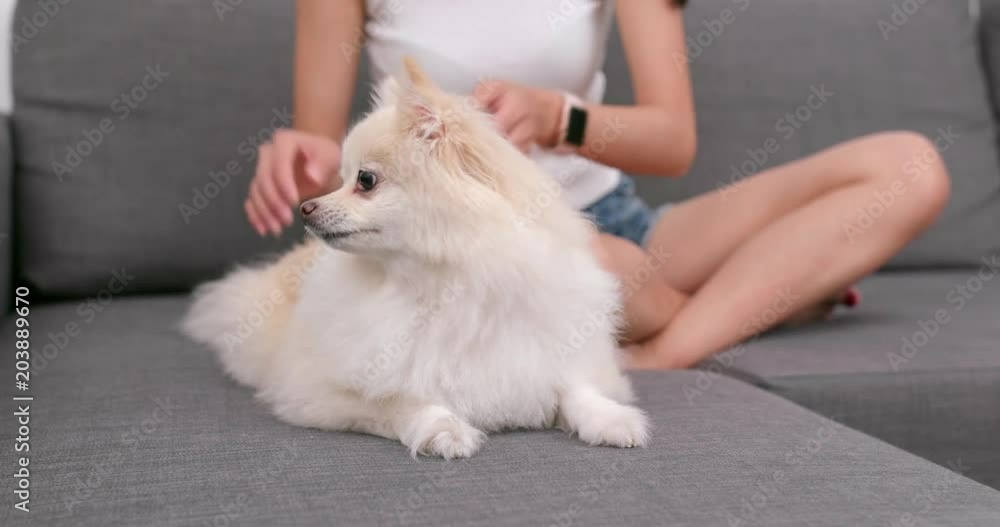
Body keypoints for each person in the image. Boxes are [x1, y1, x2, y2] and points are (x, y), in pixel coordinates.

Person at [244, 0, 950, 369]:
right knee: (608, 270)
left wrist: (562, 118)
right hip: (473, 256)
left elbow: (673, 141)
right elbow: (338, 169)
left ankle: (665, 347)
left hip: (611, 217)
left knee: (909, 167)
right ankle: (757, 300)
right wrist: (310, 160)